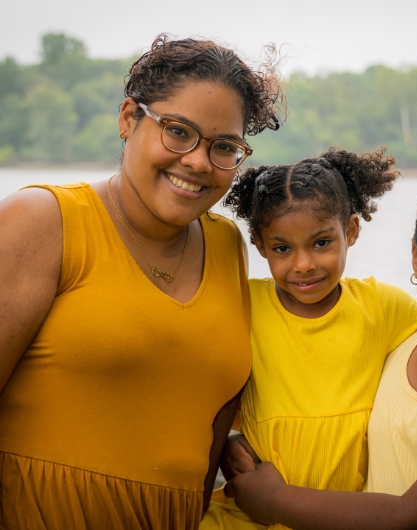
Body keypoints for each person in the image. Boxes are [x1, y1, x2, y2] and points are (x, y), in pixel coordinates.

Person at [0, 35, 283, 528]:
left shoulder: (226, 246)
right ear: (129, 118)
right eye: (177, 131)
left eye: (224, 147)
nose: (198, 161)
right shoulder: (43, 221)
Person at [222, 170, 417, 530]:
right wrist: (238, 439)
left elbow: (415, 519)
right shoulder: (405, 343)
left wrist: (271, 499)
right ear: (416, 257)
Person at [199, 148, 417, 529]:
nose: (304, 264)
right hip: (252, 514)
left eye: (321, 243)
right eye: (282, 248)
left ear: (352, 231)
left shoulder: (381, 304)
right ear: (259, 245)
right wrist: (228, 439)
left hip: (347, 515)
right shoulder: (244, 304)